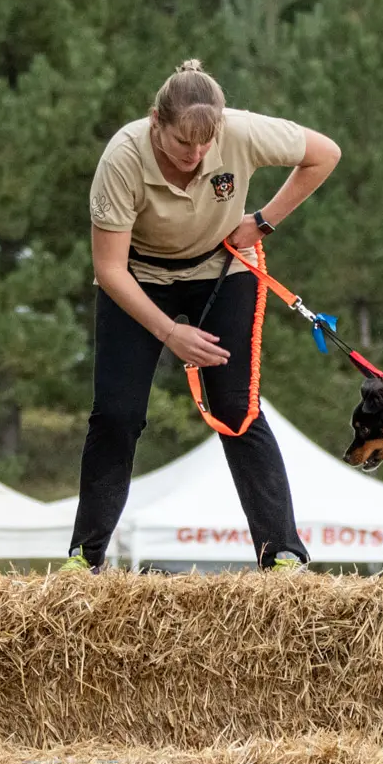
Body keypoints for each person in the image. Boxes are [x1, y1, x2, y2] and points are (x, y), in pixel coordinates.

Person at [67, 60, 341, 571]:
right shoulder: (123, 158)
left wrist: (262, 221)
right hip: (140, 278)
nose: (195, 157)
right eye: (181, 144)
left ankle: (282, 553)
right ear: (156, 122)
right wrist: (170, 332)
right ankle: (87, 557)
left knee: (238, 411)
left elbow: (325, 154)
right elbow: (108, 271)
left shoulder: (240, 132)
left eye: (204, 145)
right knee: (118, 415)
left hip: (220, 270)